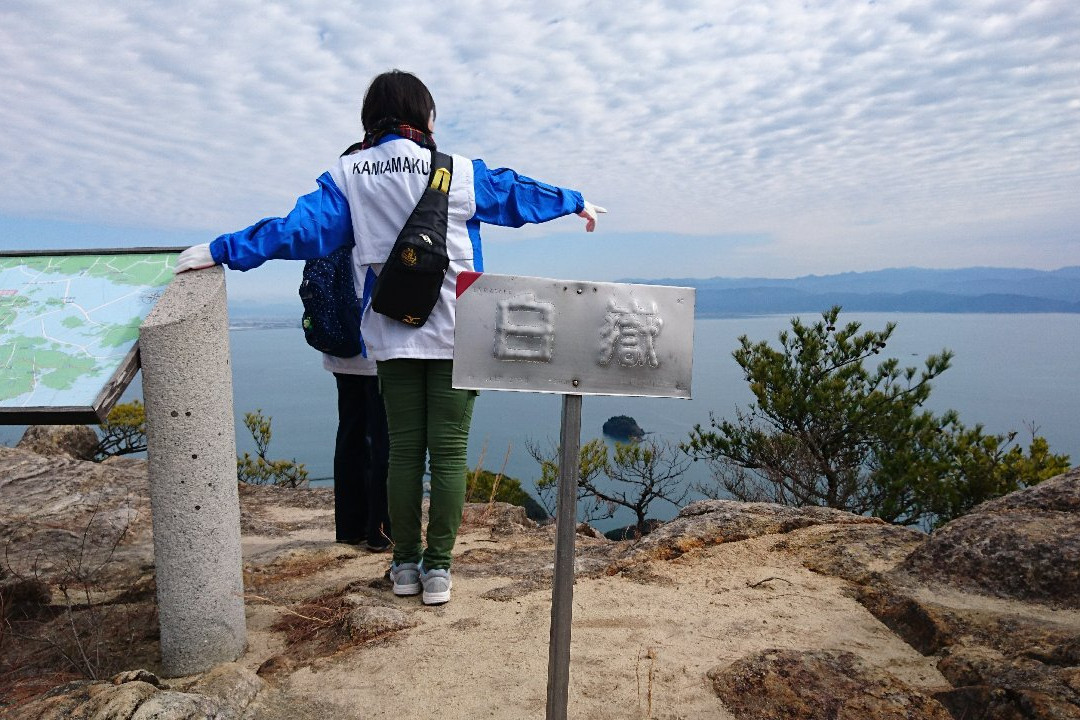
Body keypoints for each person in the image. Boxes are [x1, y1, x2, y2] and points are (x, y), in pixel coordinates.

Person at [176, 69, 606, 605]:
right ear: (425, 116)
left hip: (391, 330)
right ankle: (438, 571)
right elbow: (516, 194)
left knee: (403, 452)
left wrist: (222, 250)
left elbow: (297, 231)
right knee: (448, 455)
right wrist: (574, 200)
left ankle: (403, 567)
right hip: (459, 329)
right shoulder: (457, 171)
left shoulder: (348, 175)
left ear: (369, 118)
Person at [325, 348, 391, 551]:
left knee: (349, 437)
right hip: (378, 358)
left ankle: (349, 529)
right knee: (381, 442)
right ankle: (380, 533)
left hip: (342, 354)